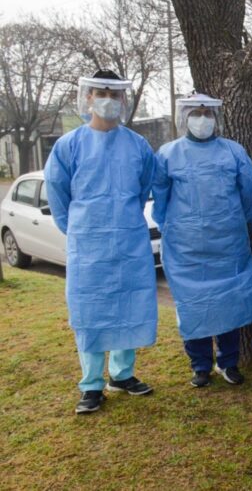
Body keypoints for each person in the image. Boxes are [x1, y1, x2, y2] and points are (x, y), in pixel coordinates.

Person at [44, 70, 157, 414]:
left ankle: (122, 375)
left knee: (129, 305)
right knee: (90, 312)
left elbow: (143, 189)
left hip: (129, 242)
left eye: (114, 93)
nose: (108, 99)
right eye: (101, 92)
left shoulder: (138, 145)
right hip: (88, 246)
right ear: (88, 97)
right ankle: (91, 385)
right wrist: (81, 229)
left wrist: (121, 224)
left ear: (123, 99)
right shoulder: (69, 145)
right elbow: (57, 194)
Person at [152, 93, 252, 388]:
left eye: (207, 113)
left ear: (216, 118)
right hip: (186, 248)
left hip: (228, 244)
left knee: (228, 302)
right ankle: (200, 365)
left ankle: (229, 362)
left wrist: (233, 221)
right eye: (196, 113)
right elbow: (160, 198)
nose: (202, 119)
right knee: (193, 305)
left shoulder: (233, 152)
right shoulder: (168, 154)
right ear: (184, 117)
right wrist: (173, 227)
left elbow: (249, 193)